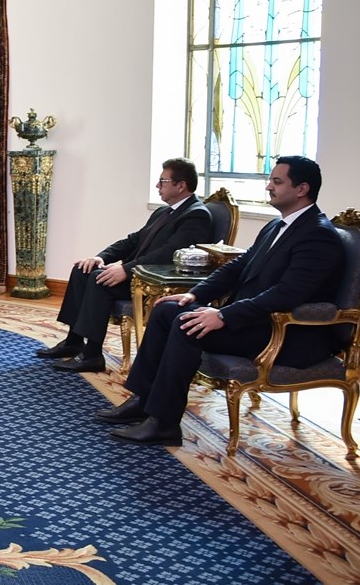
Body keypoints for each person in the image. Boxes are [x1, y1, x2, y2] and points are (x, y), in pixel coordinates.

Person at [100, 155, 344, 447]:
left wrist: (223, 315)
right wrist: (195, 294)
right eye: (270, 180)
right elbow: (236, 267)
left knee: (186, 325)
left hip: (282, 333)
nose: (269, 187)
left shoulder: (318, 235)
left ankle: (164, 423)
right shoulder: (275, 226)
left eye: (277, 182)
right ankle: (143, 400)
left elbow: (287, 294)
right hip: (253, 320)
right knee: (167, 309)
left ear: (302, 189)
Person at [41, 158, 215, 373]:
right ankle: (73, 341)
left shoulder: (197, 215)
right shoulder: (164, 211)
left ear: (181, 185)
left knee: (99, 280)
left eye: (162, 181)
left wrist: (126, 269)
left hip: (154, 281)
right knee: (83, 270)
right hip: (137, 272)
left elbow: (168, 254)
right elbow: (133, 240)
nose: (157, 186)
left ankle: (92, 354)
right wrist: (101, 258)